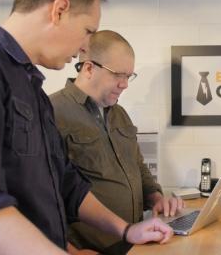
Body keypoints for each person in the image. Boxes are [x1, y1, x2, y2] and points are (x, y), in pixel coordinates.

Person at [0, 0, 172, 253]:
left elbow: (68, 184)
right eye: (88, 31)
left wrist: (126, 230)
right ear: (59, 10)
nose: (86, 46)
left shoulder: (33, 90)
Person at [50, 30, 184, 254]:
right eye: (118, 75)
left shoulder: (119, 113)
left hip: (132, 243)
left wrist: (156, 198)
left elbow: (138, 167)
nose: (125, 85)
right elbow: (43, 197)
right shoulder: (52, 112)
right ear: (89, 68)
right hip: (90, 249)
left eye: (129, 76)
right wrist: (71, 252)